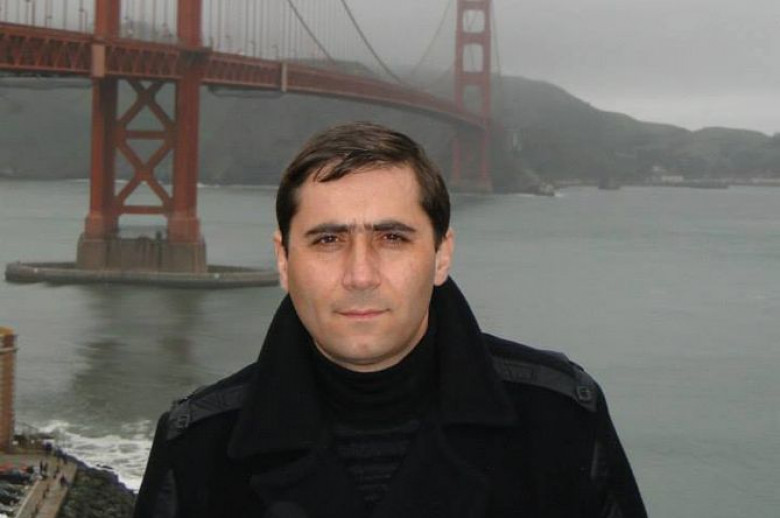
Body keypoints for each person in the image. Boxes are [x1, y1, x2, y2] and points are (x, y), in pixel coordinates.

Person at [134, 122, 647, 518]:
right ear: (284, 261)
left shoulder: (561, 419)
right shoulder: (198, 446)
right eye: (328, 240)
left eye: (392, 238)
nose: (360, 275)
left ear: (442, 255)